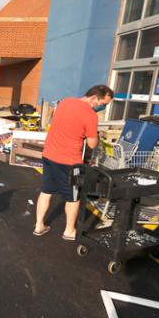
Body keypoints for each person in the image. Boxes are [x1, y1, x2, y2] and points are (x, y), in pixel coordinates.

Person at [33, 85, 114, 241]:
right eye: (103, 104)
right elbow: (91, 144)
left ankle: (39, 225)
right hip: (69, 162)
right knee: (73, 197)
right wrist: (95, 136)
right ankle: (69, 231)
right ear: (94, 98)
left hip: (49, 154)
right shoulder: (90, 115)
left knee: (46, 191)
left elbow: (65, 125)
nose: (103, 107)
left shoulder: (65, 102)